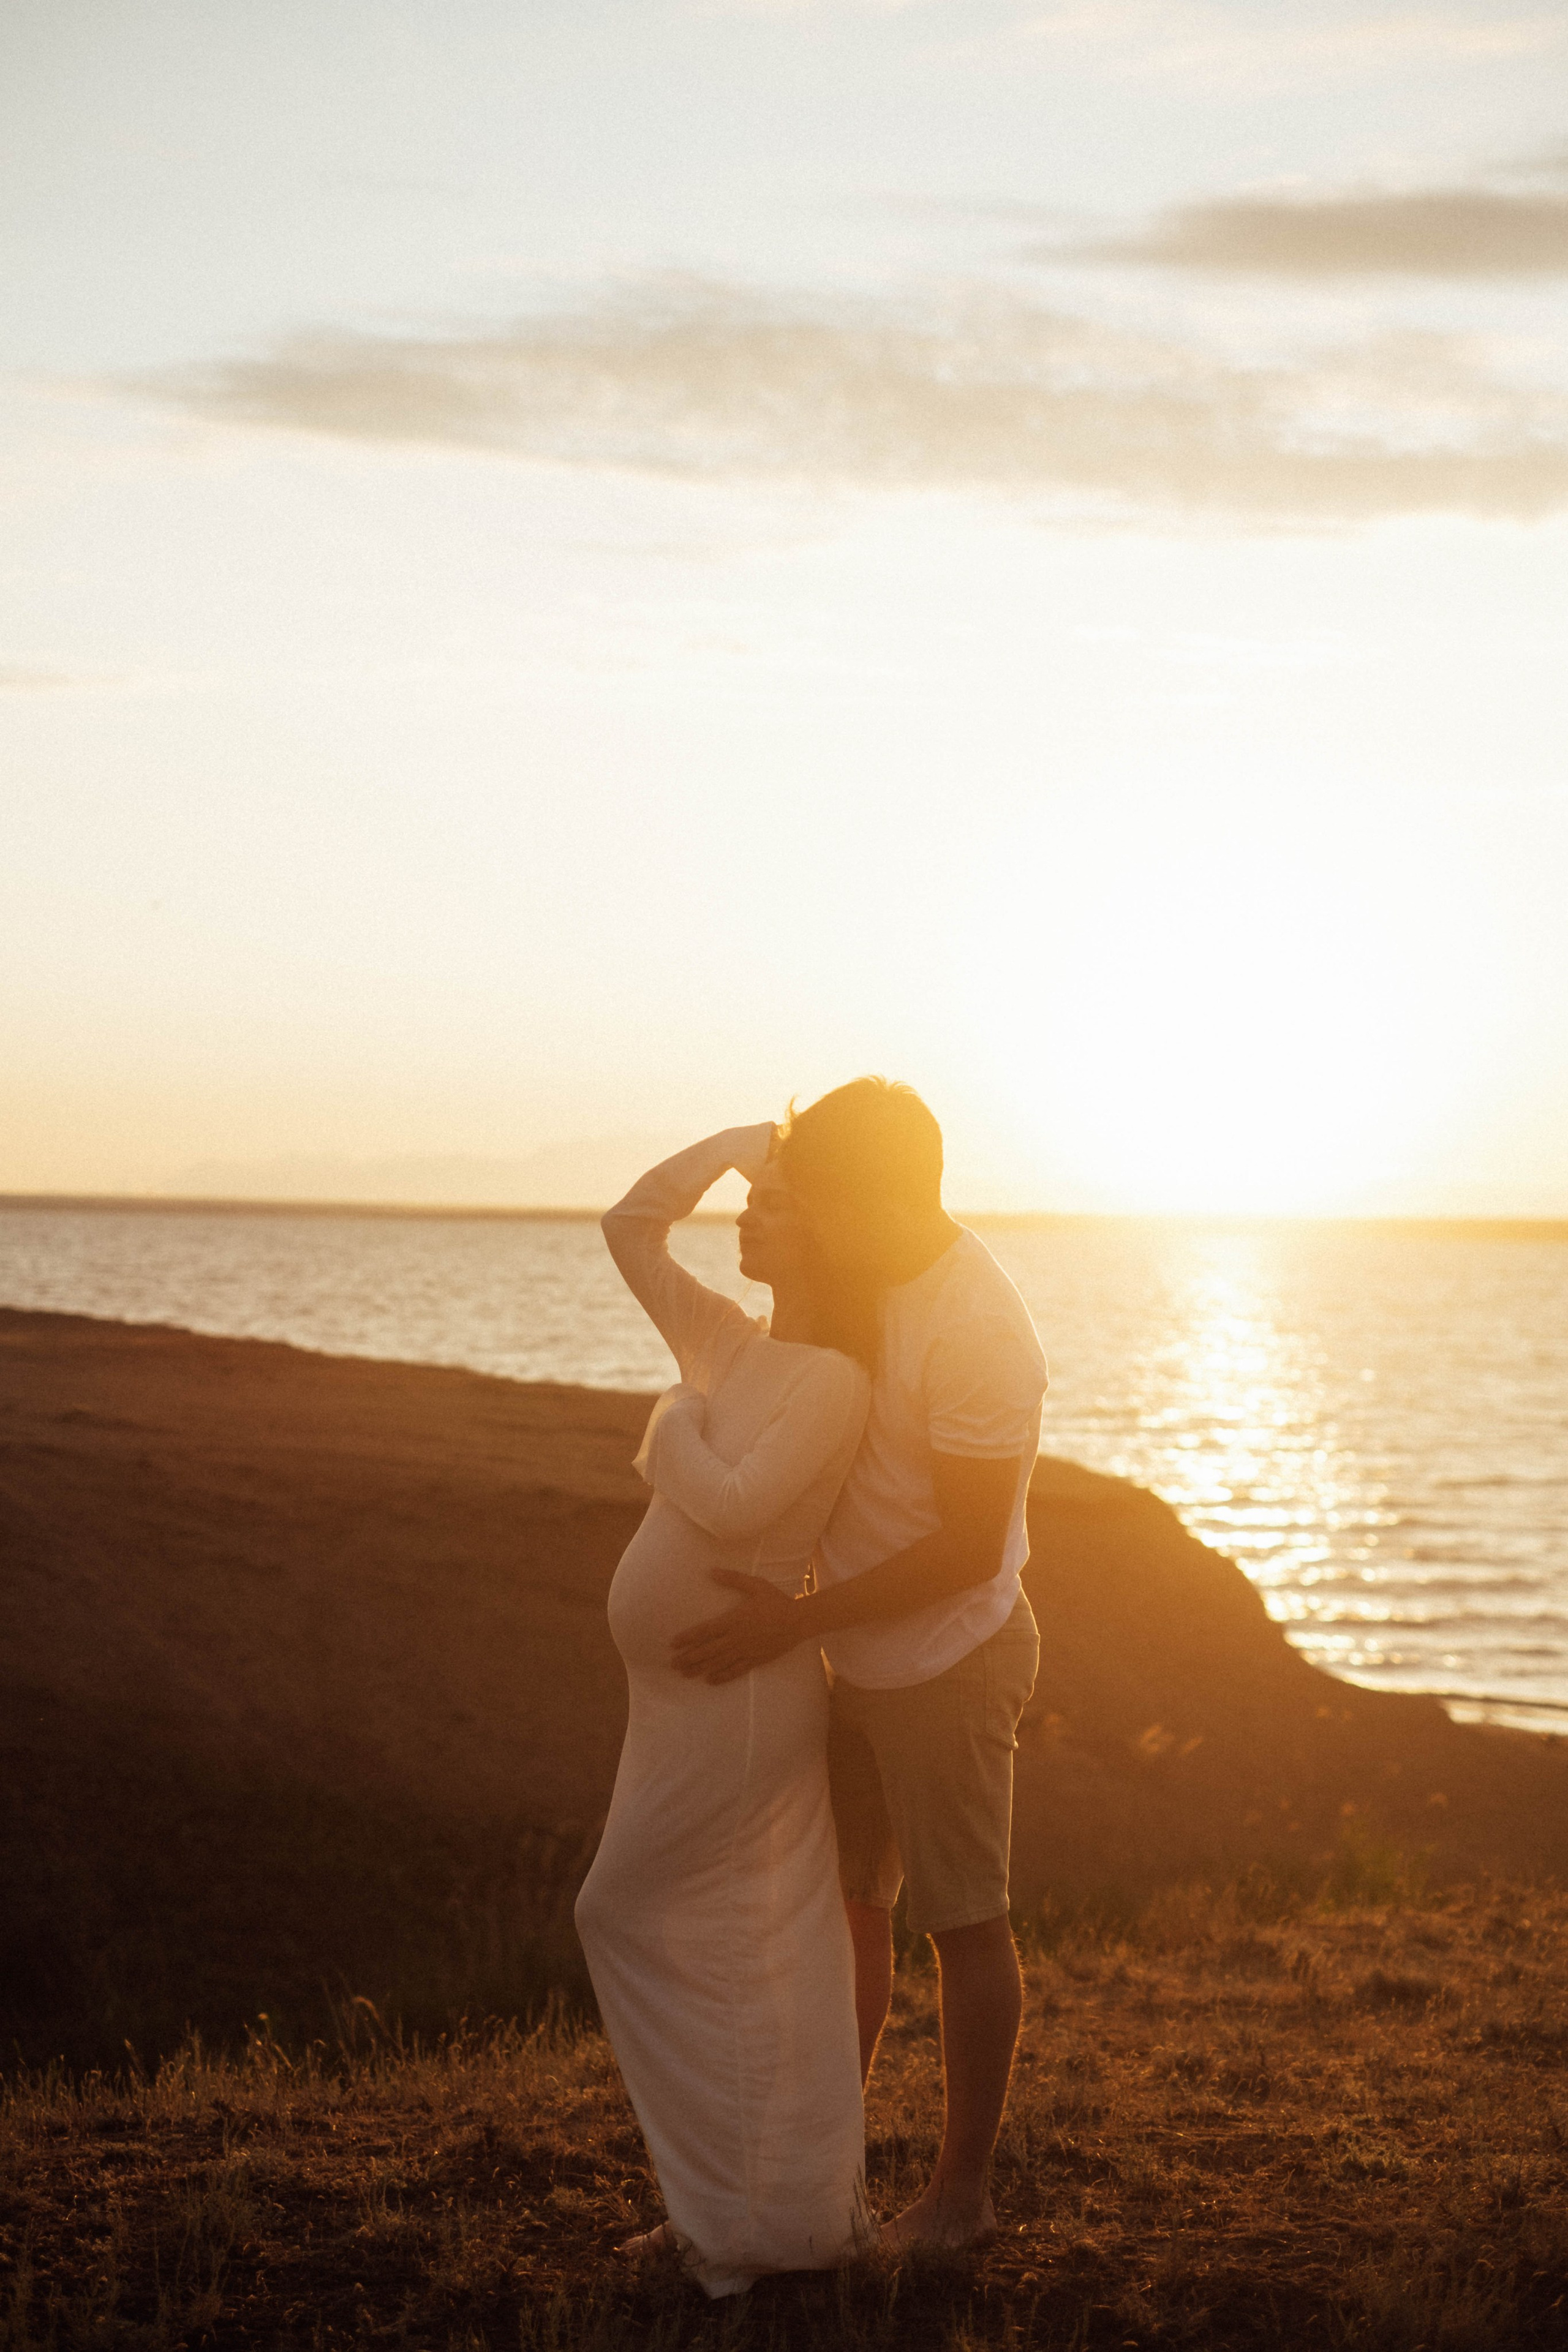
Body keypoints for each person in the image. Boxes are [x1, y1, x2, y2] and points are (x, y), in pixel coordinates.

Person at [672, 1079, 1048, 2252]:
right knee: (842, 1917)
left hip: (951, 1657)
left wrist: (795, 1620)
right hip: (847, 1649)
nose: (808, 1218)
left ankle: (961, 2199)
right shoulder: (854, 1282)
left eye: (821, 1197)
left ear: (882, 1195)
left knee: (964, 1924)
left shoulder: (979, 1327)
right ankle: (807, 2179)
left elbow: (966, 1550)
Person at [574, 1125, 881, 2297]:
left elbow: (740, 1505)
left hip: (743, 1705)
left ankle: (746, 2216)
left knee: (629, 1914)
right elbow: (630, 1227)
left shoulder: (838, 1382)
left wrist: (668, 1425)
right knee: (724, 1956)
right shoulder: (726, 1341)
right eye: (755, 1199)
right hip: (676, 1701)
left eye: (778, 1203)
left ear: (829, 1236)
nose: (749, 1217)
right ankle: (722, 2214)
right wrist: (738, 1145)